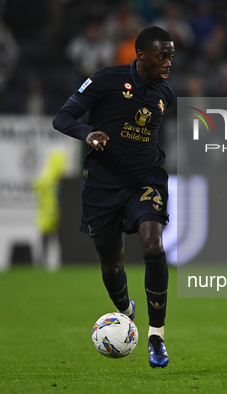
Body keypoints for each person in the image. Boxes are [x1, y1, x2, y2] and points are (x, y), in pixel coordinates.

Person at [52, 26, 175, 368]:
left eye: (171, 56)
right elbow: (62, 118)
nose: (168, 63)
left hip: (145, 179)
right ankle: (125, 311)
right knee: (112, 264)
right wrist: (88, 133)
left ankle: (156, 337)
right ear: (141, 55)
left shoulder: (166, 94)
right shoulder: (106, 80)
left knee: (153, 245)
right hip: (102, 185)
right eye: (161, 56)